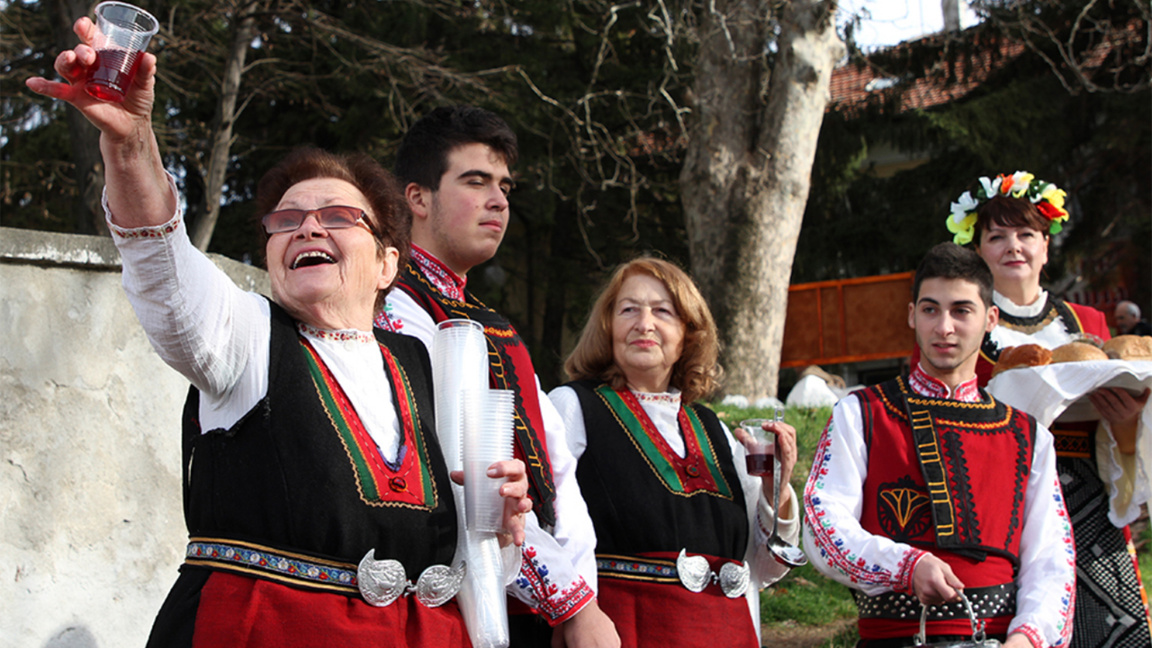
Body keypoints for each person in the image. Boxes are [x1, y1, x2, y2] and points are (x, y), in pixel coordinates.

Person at [25, 19, 533, 648]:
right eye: (286, 219)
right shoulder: (243, 338)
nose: (308, 228)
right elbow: (162, 264)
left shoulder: (430, 364)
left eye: (339, 217)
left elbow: (472, 559)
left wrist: (499, 522)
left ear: (386, 264)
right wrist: (131, 146)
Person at [375, 105, 618, 647]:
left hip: (538, 611)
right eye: (475, 181)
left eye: (505, 186)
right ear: (417, 197)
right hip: (450, 607)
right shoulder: (390, 312)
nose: (499, 200)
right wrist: (570, 603)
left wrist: (580, 598)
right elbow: (463, 472)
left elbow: (560, 474)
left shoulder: (493, 326)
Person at [803, 242, 1076, 648]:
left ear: (991, 319)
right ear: (912, 315)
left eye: (961, 311)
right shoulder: (861, 412)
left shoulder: (1028, 434)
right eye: (930, 309)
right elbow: (822, 524)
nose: (944, 327)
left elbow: (1052, 558)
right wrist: (904, 565)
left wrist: (1027, 639)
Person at [945, 172, 1152, 648]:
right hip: (1003, 504)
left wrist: (1124, 426)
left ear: (1045, 245)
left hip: (1092, 504)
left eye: (1025, 234)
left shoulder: (1091, 324)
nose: (1012, 246)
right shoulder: (955, 329)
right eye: (996, 236)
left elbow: (1127, 438)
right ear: (978, 250)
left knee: (1110, 632)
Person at [548, 257, 800, 647]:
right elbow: (546, 530)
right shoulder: (572, 407)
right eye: (628, 309)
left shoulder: (713, 429)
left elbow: (764, 568)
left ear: (688, 333)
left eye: (663, 311)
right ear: (607, 326)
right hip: (627, 631)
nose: (644, 324)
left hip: (727, 634)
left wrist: (776, 491)